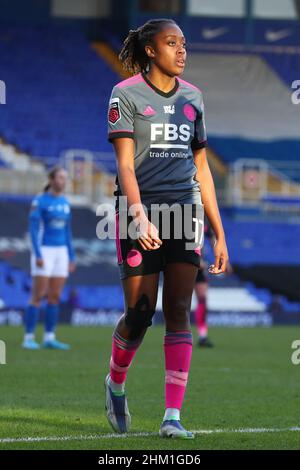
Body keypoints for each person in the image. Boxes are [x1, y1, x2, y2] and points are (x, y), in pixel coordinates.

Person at [105, 18, 229, 439]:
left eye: (184, 44)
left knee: (178, 310)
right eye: (171, 43)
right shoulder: (125, 95)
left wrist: (218, 230)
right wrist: (138, 214)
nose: (182, 51)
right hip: (138, 210)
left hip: (185, 211)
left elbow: (202, 169)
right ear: (151, 50)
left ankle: (172, 417)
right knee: (139, 315)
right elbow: (124, 165)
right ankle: (116, 383)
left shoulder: (194, 98)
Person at [22, 166, 76, 350]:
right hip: (44, 250)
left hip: (61, 252)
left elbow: (68, 232)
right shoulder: (40, 201)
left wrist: (71, 256)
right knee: (38, 295)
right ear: (52, 179)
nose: (64, 181)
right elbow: (33, 229)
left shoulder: (65, 202)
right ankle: (28, 337)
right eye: (61, 177)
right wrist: (37, 254)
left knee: (55, 296)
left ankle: (49, 337)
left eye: (65, 178)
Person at [194, 222, 215, 348]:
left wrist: (224, 260)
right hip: (184, 262)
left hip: (199, 268)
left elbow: (213, 240)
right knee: (179, 302)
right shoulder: (185, 214)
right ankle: (175, 335)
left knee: (202, 300)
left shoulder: (205, 222)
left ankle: (202, 336)